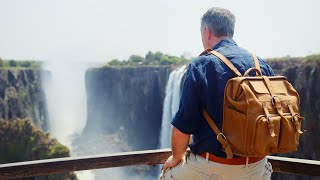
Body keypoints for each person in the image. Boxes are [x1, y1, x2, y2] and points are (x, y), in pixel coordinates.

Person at [159, 7, 274, 180]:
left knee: (167, 175)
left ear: (206, 31)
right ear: (231, 31)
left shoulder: (201, 65)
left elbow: (183, 126)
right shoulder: (261, 65)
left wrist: (176, 158)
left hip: (214, 167)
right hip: (257, 166)